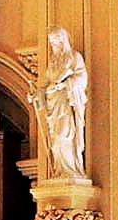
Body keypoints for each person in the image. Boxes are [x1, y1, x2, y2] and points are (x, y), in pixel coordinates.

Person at [30, 27, 88, 179]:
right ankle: (60, 171)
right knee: (55, 140)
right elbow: (45, 85)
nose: (53, 44)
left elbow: (81, 79)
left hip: (66, 103)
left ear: (63, 40)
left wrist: (64, 85)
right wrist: (37, 95)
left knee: (64, 136)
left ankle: (71, 170)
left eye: (56, 40)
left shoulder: (74, 57)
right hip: (53, 105)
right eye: (51, 41)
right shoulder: (53, 63)